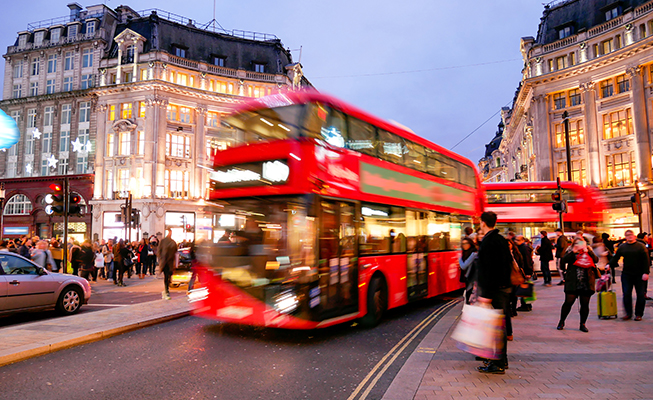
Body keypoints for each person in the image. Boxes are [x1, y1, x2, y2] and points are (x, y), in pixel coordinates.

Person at [475, 211, 512, 374]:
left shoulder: (488, 242)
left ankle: (497, 363)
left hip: (494, 291)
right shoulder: (501, 240)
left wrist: (485, 294)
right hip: (504, 288)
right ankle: (501, 360)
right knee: (499, 327)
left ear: (483, 223)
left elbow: (489, 270)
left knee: (494, 328)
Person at [556, 238, 600, 332]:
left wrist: (589, 251)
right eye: (577, 243)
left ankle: (583, 324)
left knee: (584, 304)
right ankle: (562, 321)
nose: (579, 245)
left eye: (581, 243)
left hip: (586, 282)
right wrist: (573, 251)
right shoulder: (570, 251)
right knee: (568, 302)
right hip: (573, 281)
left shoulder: (588, 251)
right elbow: (563, 261)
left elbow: (596, 260)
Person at [609, 230, 650, 321]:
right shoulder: (622, 247)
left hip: (640, 274)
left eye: (631, 235)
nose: (629, 237)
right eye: (627, 235)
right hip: (627, 274)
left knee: (640, 294)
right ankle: (628, 313)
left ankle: (639, 314)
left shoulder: (641, 246)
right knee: (626, 294)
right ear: (625, 237)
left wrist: (646, 272)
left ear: (634, 236)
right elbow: (616, 257)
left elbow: (646, 260)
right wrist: (609, 265)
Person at [515, 235, 534, 311]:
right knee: (524, 288)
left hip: (525, 271)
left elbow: (527, 260)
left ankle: (526, 305)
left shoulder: (524, 248)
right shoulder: (522, 247)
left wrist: (528, 272)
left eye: (517, 240)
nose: (516, 241)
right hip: (524, 271)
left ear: (522, 240)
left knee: (524, 288)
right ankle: (527, 304)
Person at [158, 228, 178, 300]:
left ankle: (166, 290)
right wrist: (160, 259)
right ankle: (166, 291)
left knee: (169, 276)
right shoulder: (163, 241)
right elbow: (159, 251)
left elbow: (176, 253)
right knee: (166, 276)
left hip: (169, 262)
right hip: (166, 262)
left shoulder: (172, 242)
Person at [459, 237, 478, 305]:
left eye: (466, 243)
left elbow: (463, 266)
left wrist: (459, 258)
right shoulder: (466, 253)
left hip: (472, 278)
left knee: (470, 297)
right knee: (469, 297)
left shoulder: (473, 254)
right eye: (463, 244)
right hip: (468, 278)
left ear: (470, 244)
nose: (464, 245)